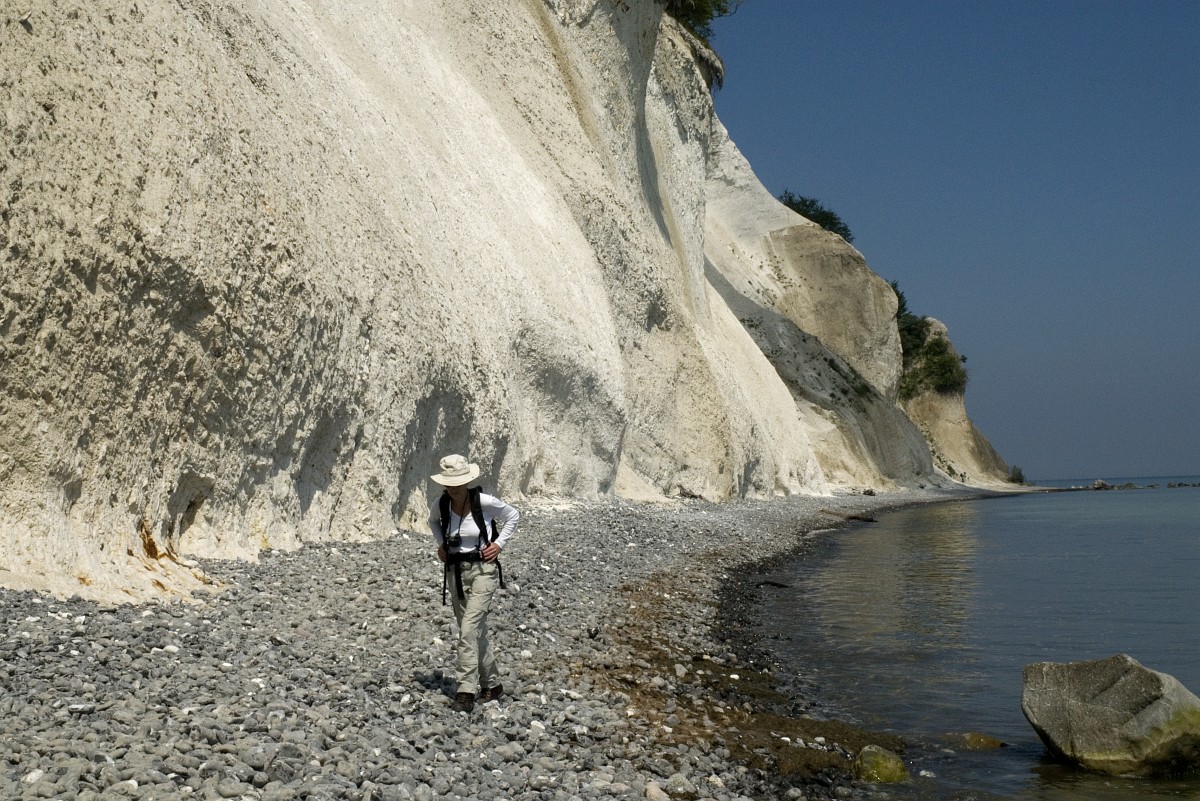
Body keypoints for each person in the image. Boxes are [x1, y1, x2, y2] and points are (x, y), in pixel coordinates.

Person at [428, 454, 519, 713]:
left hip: (483, 570)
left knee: (468, 629)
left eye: (457, 482)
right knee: (473, 630)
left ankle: (465, 691)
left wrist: (498, 545)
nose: (452, 487)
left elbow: (513, 515)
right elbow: (432, 522)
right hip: (455, 572)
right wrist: (441, 544)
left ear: (467, 481)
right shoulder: (441, 504)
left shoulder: (483, 502)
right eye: (448, 483)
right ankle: (493, 685)